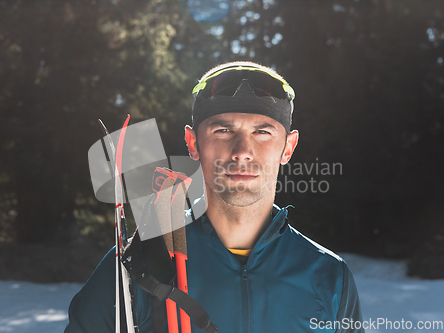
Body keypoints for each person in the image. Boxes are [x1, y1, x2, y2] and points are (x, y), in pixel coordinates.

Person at [65, 61, 364, 333]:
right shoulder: (140, 264)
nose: (242, 151)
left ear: (288, 147)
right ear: (193, 143)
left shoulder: (328, 275)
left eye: (262, 132)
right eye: (223, 130)